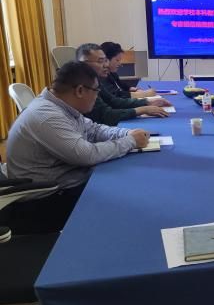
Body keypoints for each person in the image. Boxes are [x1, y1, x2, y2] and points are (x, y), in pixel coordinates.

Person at [3, 62, 150, 234]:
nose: (97, 96)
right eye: (96, 91)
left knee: (131, 182)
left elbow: (94, 130)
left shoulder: (61, 106)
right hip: (47, 201)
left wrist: (127, 133)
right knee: (131, 198)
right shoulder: (47, 116)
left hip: (66, 184)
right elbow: (87, 155)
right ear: (80, 90)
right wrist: (130, 141)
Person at [76, 43, 170, 126]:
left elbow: (113, 101)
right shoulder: (83, 86)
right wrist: (143, 109)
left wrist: (146, 102)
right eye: (100, 61)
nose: (106, 65)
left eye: (105, 61)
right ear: (83, 63)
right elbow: (106, 115)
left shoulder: (95, 81)